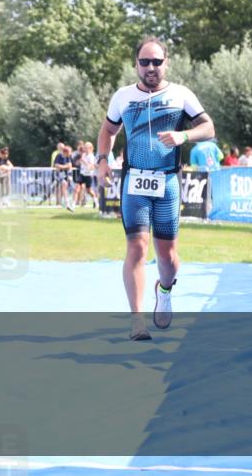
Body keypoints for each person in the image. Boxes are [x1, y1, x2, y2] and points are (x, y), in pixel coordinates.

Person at [96, 37, 215, 341]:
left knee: (168, 256)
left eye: (157, 62)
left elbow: (208, 128)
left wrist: (182, 136)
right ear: (135, 64)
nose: (151, 67)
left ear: (166, 63)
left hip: (167, 183)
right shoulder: (123, 96)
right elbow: (108, 129)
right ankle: (137, 321)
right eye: (145, 62)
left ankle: (164, 290)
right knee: (136, 248)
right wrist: (102, 160)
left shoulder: (180, 94)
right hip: (134, 182)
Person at [53, 144, 74, 211]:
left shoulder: (68, 157)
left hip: (66, 174)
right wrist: (65, 166)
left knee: (64, 188)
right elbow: (56, 165)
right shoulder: (59, 156)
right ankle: (65, 203)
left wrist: (70, 175)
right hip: (59, 174)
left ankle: (65, 202)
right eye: (69, 152)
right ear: (65, 152)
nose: (70, 154)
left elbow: (70, 165)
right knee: (63, 185)